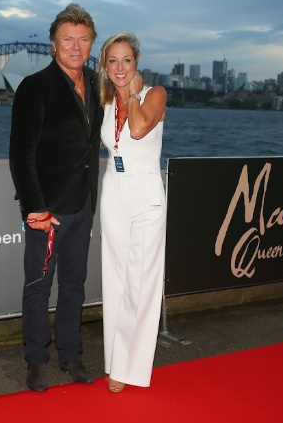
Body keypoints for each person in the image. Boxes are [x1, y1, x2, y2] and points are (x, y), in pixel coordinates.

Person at [9, 3, 103, 392]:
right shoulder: (35, 86)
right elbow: (21, 153)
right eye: (69, 39)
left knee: (75, 284)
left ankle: (71, 353)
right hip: (47, 210)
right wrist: (36, 209)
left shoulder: (98, 83)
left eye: (83, 39)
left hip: (82, 205)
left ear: (91, 42)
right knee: (38, 286)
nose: (76, 46)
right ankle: (35, 359)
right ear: (53, 44)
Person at [97, 32, 167, 393]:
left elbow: (138, 129)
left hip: (146, 194)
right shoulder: (105, 102)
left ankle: (129, 367)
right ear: (105, 66)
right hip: (114, 190)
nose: (120, 67)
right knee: (116, 278)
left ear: (136, 62)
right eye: (113, 61)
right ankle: (114, 359)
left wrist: (133, 95)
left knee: (140, 282)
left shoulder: (154, 94)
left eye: (126, 60)